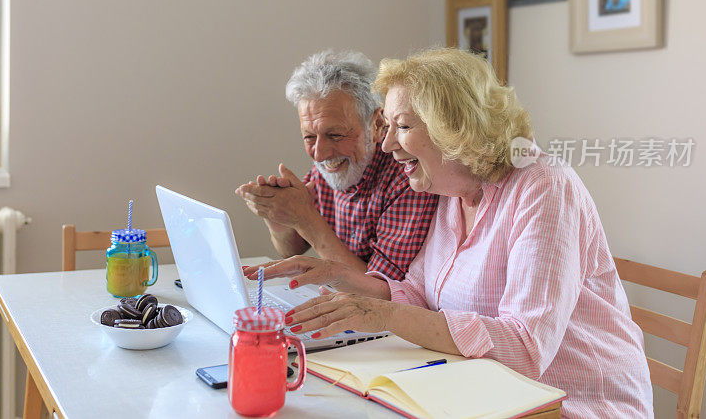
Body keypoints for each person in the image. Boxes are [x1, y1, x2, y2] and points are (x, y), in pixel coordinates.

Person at [245, 48, 654, 418]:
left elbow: (526, 347)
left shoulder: (544, 186)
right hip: (483, 396)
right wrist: (337, 277)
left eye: (401, 126)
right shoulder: (450, 191)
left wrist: (383, 314)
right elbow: (417, 292)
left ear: (453, 128)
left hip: (569, 406)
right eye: (386, 126)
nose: (386, 145)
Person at [235, 49, 438, 280]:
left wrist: (305, 217)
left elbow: (380, 288)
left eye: (336, 135)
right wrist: (278, 219)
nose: (320, 154)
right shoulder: (328, 168)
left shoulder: (407, 176)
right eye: (309, 137)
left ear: (377, 124)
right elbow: (290, 249)